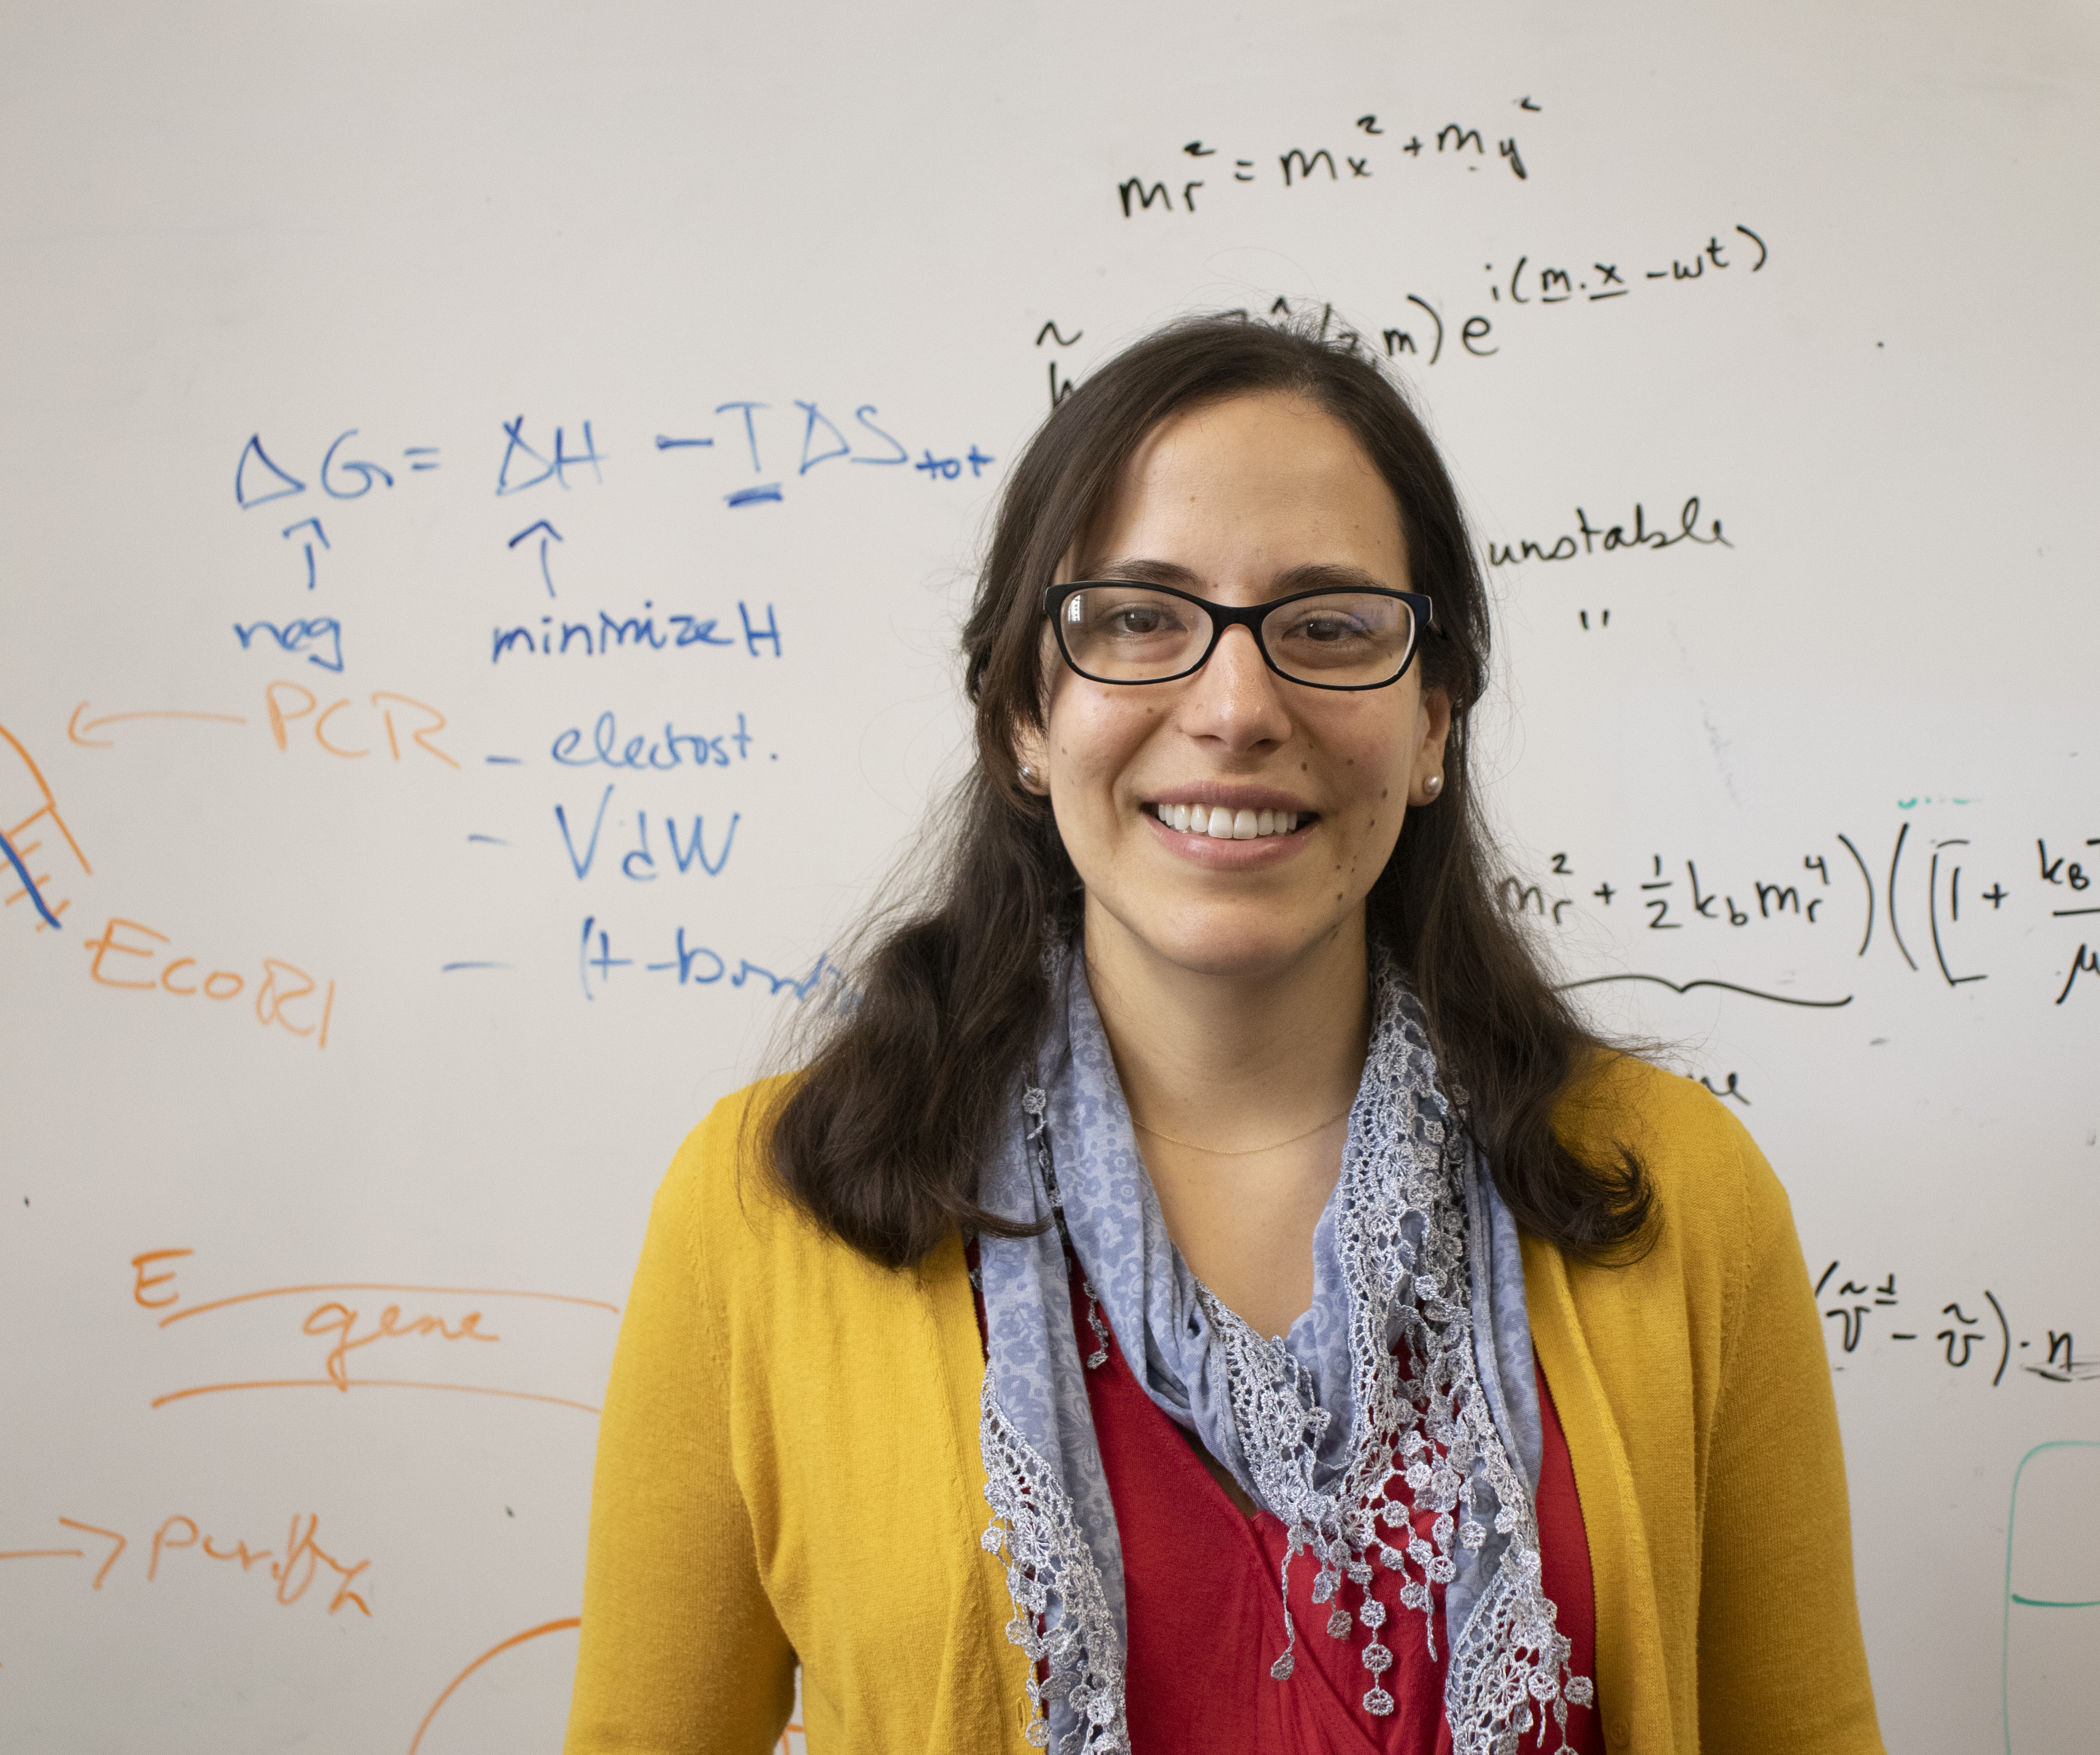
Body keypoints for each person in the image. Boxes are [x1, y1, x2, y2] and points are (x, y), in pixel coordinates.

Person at [564, 315, 1885, 1755]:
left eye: (1328, 626)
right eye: (1139, 618)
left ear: (1436, 719)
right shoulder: (760, 1213)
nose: (1238, 708)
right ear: (1023, 710)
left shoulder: (1679, 1191)